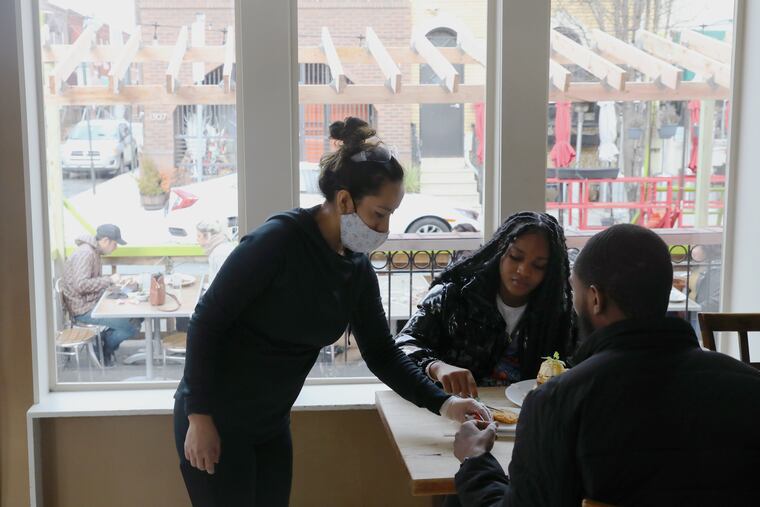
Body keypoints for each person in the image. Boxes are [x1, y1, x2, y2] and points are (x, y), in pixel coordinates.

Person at [173, 117, 490, 506]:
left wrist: (447, 405)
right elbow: (207, 322)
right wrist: (198, 417)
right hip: (216, 417)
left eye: (391, 214)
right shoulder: (277, 242)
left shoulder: (353, 266)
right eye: (378, 214)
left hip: (270, 423)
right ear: (344, 200)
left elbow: (382, 353)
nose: (385, 228)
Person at [449, 224, 760, 506]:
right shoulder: (749, 387)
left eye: (576, 290)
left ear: (595, 299)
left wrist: (475, 460)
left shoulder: (559, 402)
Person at [395, 211, 575, 398]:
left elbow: (579, 365)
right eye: (515, 256)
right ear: (499, 250)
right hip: (453, 412)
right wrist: (435, 366)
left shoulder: (559, 312)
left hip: (525, 419)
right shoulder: (453, 295)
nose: (523, 271)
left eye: (538, 266)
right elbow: (402, 346)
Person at [62, 223, 140, 366]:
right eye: (115, 244)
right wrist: (109, 279)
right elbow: (81, 285)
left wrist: (113, 284)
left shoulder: (93, 252)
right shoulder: (85, 253)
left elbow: (89, 281)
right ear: (105, 240)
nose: (115, 248)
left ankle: (104, 340)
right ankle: (104, 348)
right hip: (83, 309)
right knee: (130, 326)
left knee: (137, 316)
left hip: (93, 302)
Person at [196, 220, 235, 284]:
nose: (197, 239)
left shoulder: (220, 253)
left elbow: (225, 282)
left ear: (207, 235)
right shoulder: (217, 249)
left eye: (199, 236)